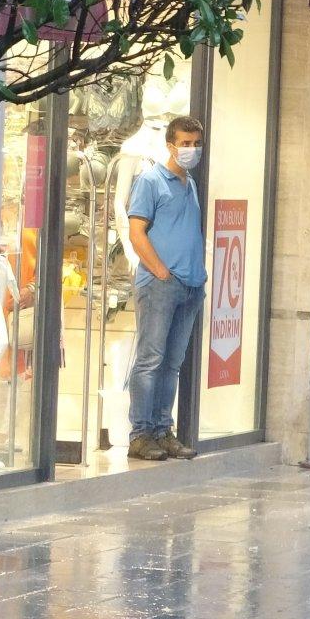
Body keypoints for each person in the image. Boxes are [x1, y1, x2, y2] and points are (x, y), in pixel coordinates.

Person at [125, 116, 206, 461]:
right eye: (184, 144)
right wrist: (160, 271)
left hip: (189, 287)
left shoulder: (190, 183)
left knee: (171, 363)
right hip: (161, 285)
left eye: (195, 144)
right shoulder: (150, 180)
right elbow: (136, 231)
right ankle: (141, 435)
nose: (190, 150)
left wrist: (197, 278)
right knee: (150, 361)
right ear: (171, 145)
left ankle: (162, 430)